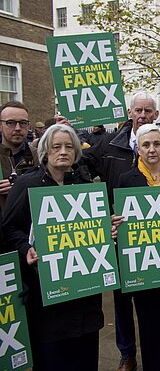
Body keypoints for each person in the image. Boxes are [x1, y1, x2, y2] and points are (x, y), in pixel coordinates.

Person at [2, 124, 103, 370]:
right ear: (46, 151)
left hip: (85, 296)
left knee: (85, 359)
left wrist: (107, 226)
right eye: (56, 147)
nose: (63, 152)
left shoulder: (85, 184)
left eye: (69, 147)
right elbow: (9, 229)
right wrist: (26, 248)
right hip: (46, 296)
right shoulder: (27, 184)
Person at [82, 91, 160, 371]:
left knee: (150, 300)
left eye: (148, 111)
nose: (142, 115)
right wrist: (102, 212)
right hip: (120, 234)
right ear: (129, 112)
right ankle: (127, 352)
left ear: (155, 115)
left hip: (156, 239)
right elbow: (80, 166)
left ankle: (158, 350)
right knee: (121, 300)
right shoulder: (108, 144)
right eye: (138, 110)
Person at [111, 123, 160, 371]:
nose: (152, 149)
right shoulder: (126, 180)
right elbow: (120, 218)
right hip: (145, 269)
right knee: (148, 328)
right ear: (137, 149)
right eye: (146, 144)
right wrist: (115, 225)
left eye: (157, 144)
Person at [0, 101, 38, 210]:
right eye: (10, 122)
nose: (17, 128)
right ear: (0, 126)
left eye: (23, 123)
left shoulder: (39, 156)